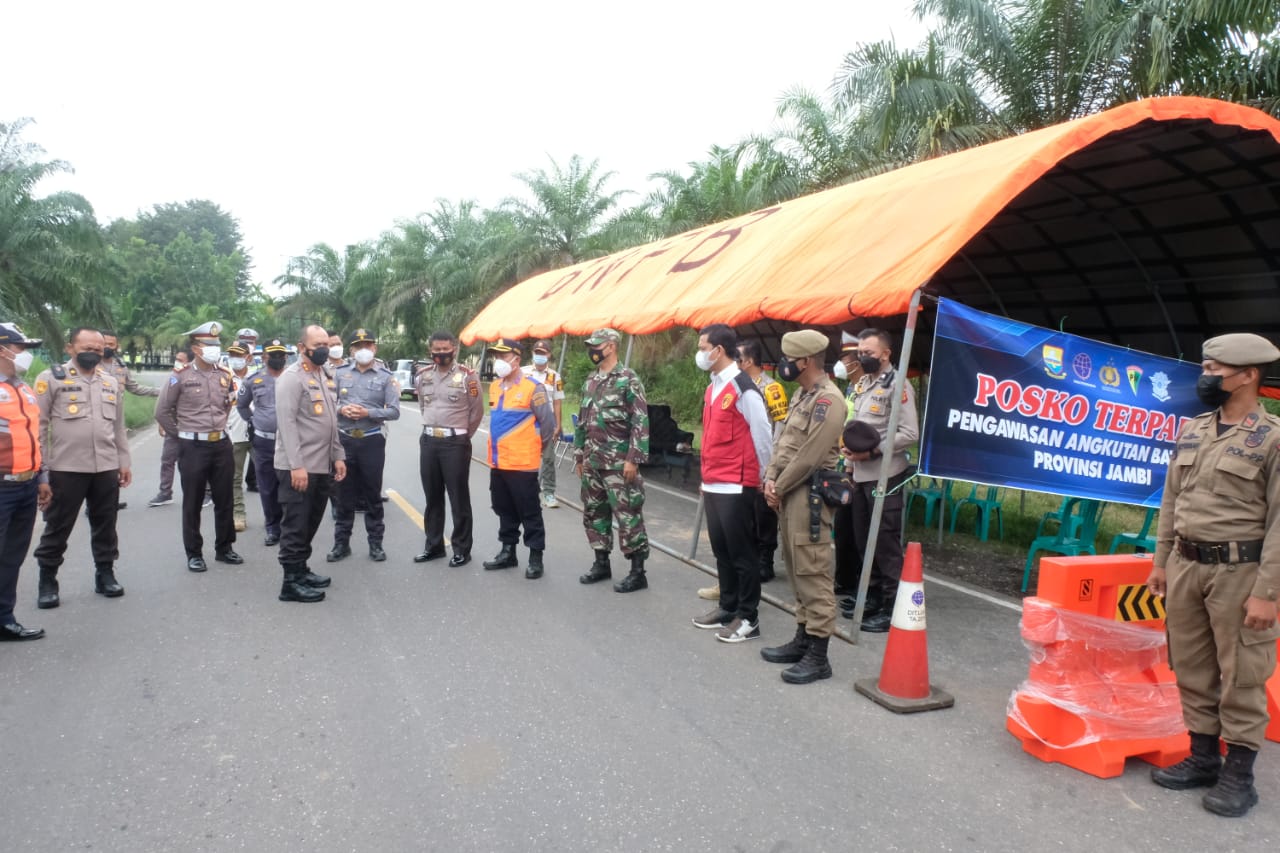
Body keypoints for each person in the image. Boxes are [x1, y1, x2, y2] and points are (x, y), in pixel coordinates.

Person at [1146, 332, 1280, 818]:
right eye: (1205, 368)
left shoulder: (1273, 438)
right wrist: (1161, 561)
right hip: (1185, 565)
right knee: (1193, 665)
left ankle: (1239, 775)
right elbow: (1171, 499)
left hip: (1239, 572)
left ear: (1248, 376)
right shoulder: (1194, 429)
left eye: (1215, 370)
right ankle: (1203, 758)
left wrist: (1268, 593)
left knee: (1243, 673)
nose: (1206, 377)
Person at [759, 330, 844, 684]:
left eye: (789, 358)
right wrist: (771, 477)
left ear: (806, 361)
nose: (783, 365)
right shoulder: (803, 395)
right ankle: (802, 638)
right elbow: (785, 444)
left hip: (808, 494)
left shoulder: (829, 401)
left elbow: (809, 457)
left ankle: (819, 656)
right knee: (795, 567)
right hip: (790, 492)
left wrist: (778, 484)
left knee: (813, 570)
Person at [30, 327, 131, 607]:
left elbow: (118, 426)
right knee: (58, 526)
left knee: (106, 525)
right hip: (66, 468)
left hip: (106, 468)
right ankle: (48, 579)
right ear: (70, 348)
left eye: (98, 349)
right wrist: (43, 470)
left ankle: (105, 573)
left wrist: (124, 462)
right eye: (87, 347)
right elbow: (39, 426)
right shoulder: (50, 379)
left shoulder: (109, 381)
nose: (94, 353)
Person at [690, 325, 773, 643]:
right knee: (722, 550)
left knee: (742, 553)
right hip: (714, 481)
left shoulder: (743, 387)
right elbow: (711, 437)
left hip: (737, 484)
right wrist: (705, 476)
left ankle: (748, 617)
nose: (700, 353)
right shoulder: (713, 387)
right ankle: (728, 606)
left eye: (703, 347)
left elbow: (762, 433)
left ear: (719, 350)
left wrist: (763, 476)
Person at [839, 328, 918, 632]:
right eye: (860, 352)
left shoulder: (899, 385)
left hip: (884, 475)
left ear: (885, 354)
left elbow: (910, 434)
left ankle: (891, 605)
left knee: (884, 542)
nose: (862, 357)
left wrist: (873, 452)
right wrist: (849, 463)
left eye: (868, 353)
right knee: (863, 540)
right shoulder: (864, 384)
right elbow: (855, 426)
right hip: (860, 476)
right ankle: (871, 595)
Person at [155, 321, 242, 572]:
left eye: (217, 344)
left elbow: (227, 405)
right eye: (208, 344)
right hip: (192, 446)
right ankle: (194, 553)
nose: (214, 348)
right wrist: (181, 435)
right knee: (192, 501)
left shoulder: (225, 375)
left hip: (221, 444)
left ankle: (225, 548)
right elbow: (162, 411)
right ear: (196, 347)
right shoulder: (180, 377)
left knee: (224, 499)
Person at [574, 328, 651, 593]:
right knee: (594, 512)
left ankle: (638, 571)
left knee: (628, 514)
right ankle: (601, 562)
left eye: (596, 346)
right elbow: (582, 421)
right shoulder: (591, 381)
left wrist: (634, 459)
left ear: (611, 346)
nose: (592, 350)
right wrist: (578, 455)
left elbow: (640, 421)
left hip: (619, 463)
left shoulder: (628, 379)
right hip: (592, 460)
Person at [274, 324, 346, 602]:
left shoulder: (324, 374)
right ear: (302, 348)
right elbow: (287, 424)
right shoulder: (292, 378)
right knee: (295, 524)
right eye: (318, 345)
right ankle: (290, 583)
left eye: (326, 343)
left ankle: (301, 569)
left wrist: (338, 455)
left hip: (321, 464)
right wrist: (296, 465)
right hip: (299, 467)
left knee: (310, 522)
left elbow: (331, 422)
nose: (324, 349)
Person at [482, 339, 558, 579]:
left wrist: (535, 449)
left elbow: (547, 425)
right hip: (498, 462)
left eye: (503, 357)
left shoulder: (533, 388)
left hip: (522, 464)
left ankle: (536, 557)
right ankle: (508, 552)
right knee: (504, 509)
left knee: (529, 511)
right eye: (496, 356)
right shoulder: (495, 387)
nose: (499, 361)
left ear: (516, 358)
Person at [328, 329, 400, 563]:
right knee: (343, 494)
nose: (363, 350)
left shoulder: (386, 377)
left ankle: (376, 543)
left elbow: (394, 411)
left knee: (372, 493)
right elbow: (329, 403)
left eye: (367, 345)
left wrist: (368, 412)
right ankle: (341, 544)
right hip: (344, 439)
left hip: (371, 439)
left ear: (375, 348)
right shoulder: (338, 374)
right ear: (351, 350)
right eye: (358, 346)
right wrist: (342, 409)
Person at [413, 331, 484, 567]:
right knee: (432, 497)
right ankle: (433, 546)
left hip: (455, 443)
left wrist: (462, 436)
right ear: (430, 350)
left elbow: (476, 412)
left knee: (458, 497)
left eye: (446, 349)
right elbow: (423, 405)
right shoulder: (422, 377)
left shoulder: (467, 377)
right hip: (429, 441)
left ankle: (462, 548)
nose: (441, 354)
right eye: (437, 350)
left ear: (454, 349)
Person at [0, 322, 50, 641]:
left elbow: (34, 438)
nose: (24, 355)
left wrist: (42, 477)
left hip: (26, 485)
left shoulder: (24, 389)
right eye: (20, 349)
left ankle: (4, 617)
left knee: (12, 556)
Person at [237, 339, 288, 546]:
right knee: (267, 487)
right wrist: (253, 421)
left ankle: (289, 525)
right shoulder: (253, 380)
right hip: (264, 442)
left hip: (290, 443)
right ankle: (272, 528)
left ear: (286, 357)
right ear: (264, 357)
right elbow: (241, 405)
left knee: (290, 485)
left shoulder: (294, 378)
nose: (277, 358)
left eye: (280, 354)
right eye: (272, 354)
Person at [100, 330, 158, 511]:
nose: (108, 348)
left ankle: (111, 499)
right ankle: (95, 501)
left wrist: (159, 392)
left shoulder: (120, 366)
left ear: (117, 346)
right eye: (105, 344)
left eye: (112, 344)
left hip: (116, 420)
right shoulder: (92, 365)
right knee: (99, 460)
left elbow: (134, 387)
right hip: (98, 421)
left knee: (117, 460)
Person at [521, 338, 565, 509]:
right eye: (537, 353)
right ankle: (526, 490)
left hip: (547, 424)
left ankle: (549, 493)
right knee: (526, 458)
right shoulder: (523, 373)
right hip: (527, 424)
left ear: (549, 355)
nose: (540, 356)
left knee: (548, 459)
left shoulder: (555, 376)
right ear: (533, 354)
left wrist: (558, 425)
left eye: (543, 353)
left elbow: (558, 402)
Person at [148, 350, 188, 508]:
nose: (177, 363)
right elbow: (164, 405)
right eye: (176, 359)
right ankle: (165, 492)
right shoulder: (173, 378)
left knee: (193, 463)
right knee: (167, 460)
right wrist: (163, 424)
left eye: (180, 360)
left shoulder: (193, 378)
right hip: (173, 427)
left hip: (191, 427)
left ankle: (204, 492)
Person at [225, 343, 253, 532]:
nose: (235, 358)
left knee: (269, 476)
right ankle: (238, 515)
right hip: (234, 433)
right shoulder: (223, 377)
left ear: (248, 358)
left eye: (239, 355)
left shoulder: (257, 377)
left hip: (258, 432)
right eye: (232, 354)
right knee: (235, 478)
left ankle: (274, 518)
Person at [234, 328, 260, 492]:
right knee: (233, 476)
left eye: (251, 342)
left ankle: (253, 480)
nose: (248, 344)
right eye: (245, 341)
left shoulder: (259, 368)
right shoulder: (225, 370)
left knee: (265, 467)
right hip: (233, 427)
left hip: (256, 423)